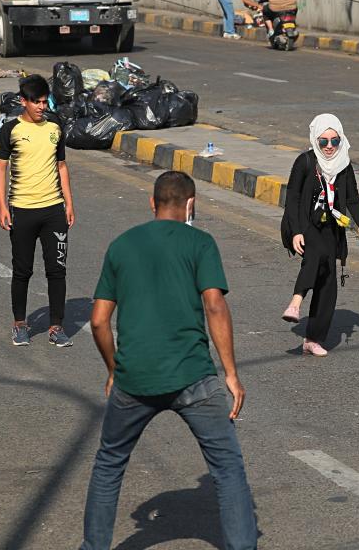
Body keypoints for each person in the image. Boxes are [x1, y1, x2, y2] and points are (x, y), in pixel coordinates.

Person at [81, 171, 257, 550]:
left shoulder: (122, 245)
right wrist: (231, 374)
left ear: (152, 203)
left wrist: (114, 371)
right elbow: (214, 305)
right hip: (194, 378)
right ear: (191, 204)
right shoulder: (201, 243)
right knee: (227, 469)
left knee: (110, 464)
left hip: (134, 380)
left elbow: (98, 321)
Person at [281, 114, 359, 356]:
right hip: (305, 225)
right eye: (323, 141)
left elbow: (354, 199)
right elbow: (292, 199)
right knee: (315, 256)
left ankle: (313, 338)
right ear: (315, 139)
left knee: (328, 285)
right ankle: (296, 301)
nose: (328, 147)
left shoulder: (344, 165)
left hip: (331, 228)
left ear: (341, 140)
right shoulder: (305, 162)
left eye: (334, 141)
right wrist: (295, 232)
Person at [0, 74, 75, 347]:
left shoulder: (55, 128)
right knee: (22, 270)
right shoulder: (11, 130)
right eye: (36, 102)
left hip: (53, 210)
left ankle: (56, 327)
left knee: (57, 270)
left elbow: (61, 166)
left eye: (44, 101)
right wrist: (3, 206)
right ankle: (20, 324)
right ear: (23, 101)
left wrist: (69, 203)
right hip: (22, 210)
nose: (42, 107)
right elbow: (0, 168)